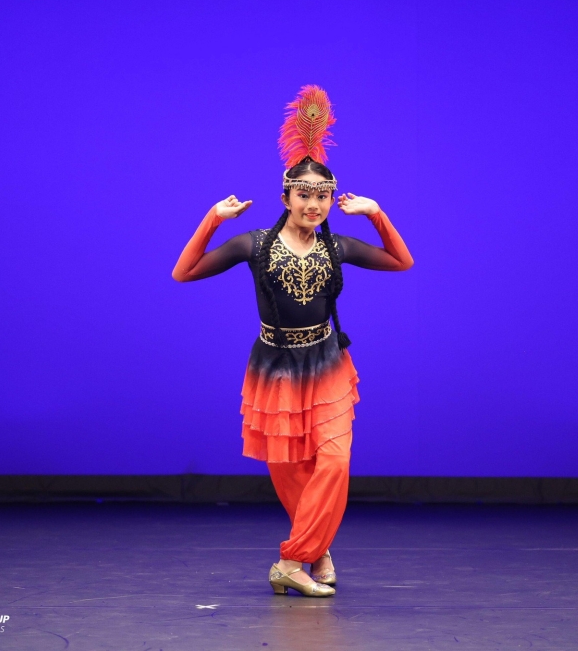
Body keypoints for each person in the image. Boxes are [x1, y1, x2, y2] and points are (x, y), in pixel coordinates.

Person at [171, 86, 413, 597]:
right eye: (304, 194)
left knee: (334, 462)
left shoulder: (337, 246)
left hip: (326, 361)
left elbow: (401, 261)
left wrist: (376, 213)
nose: (314, 204)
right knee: (290, 471)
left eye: (322, 195)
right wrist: (213, 219)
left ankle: (290, 560)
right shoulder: (254, 245)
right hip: (275, 367)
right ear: (286, 198)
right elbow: (183, 272)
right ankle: (316, 552)